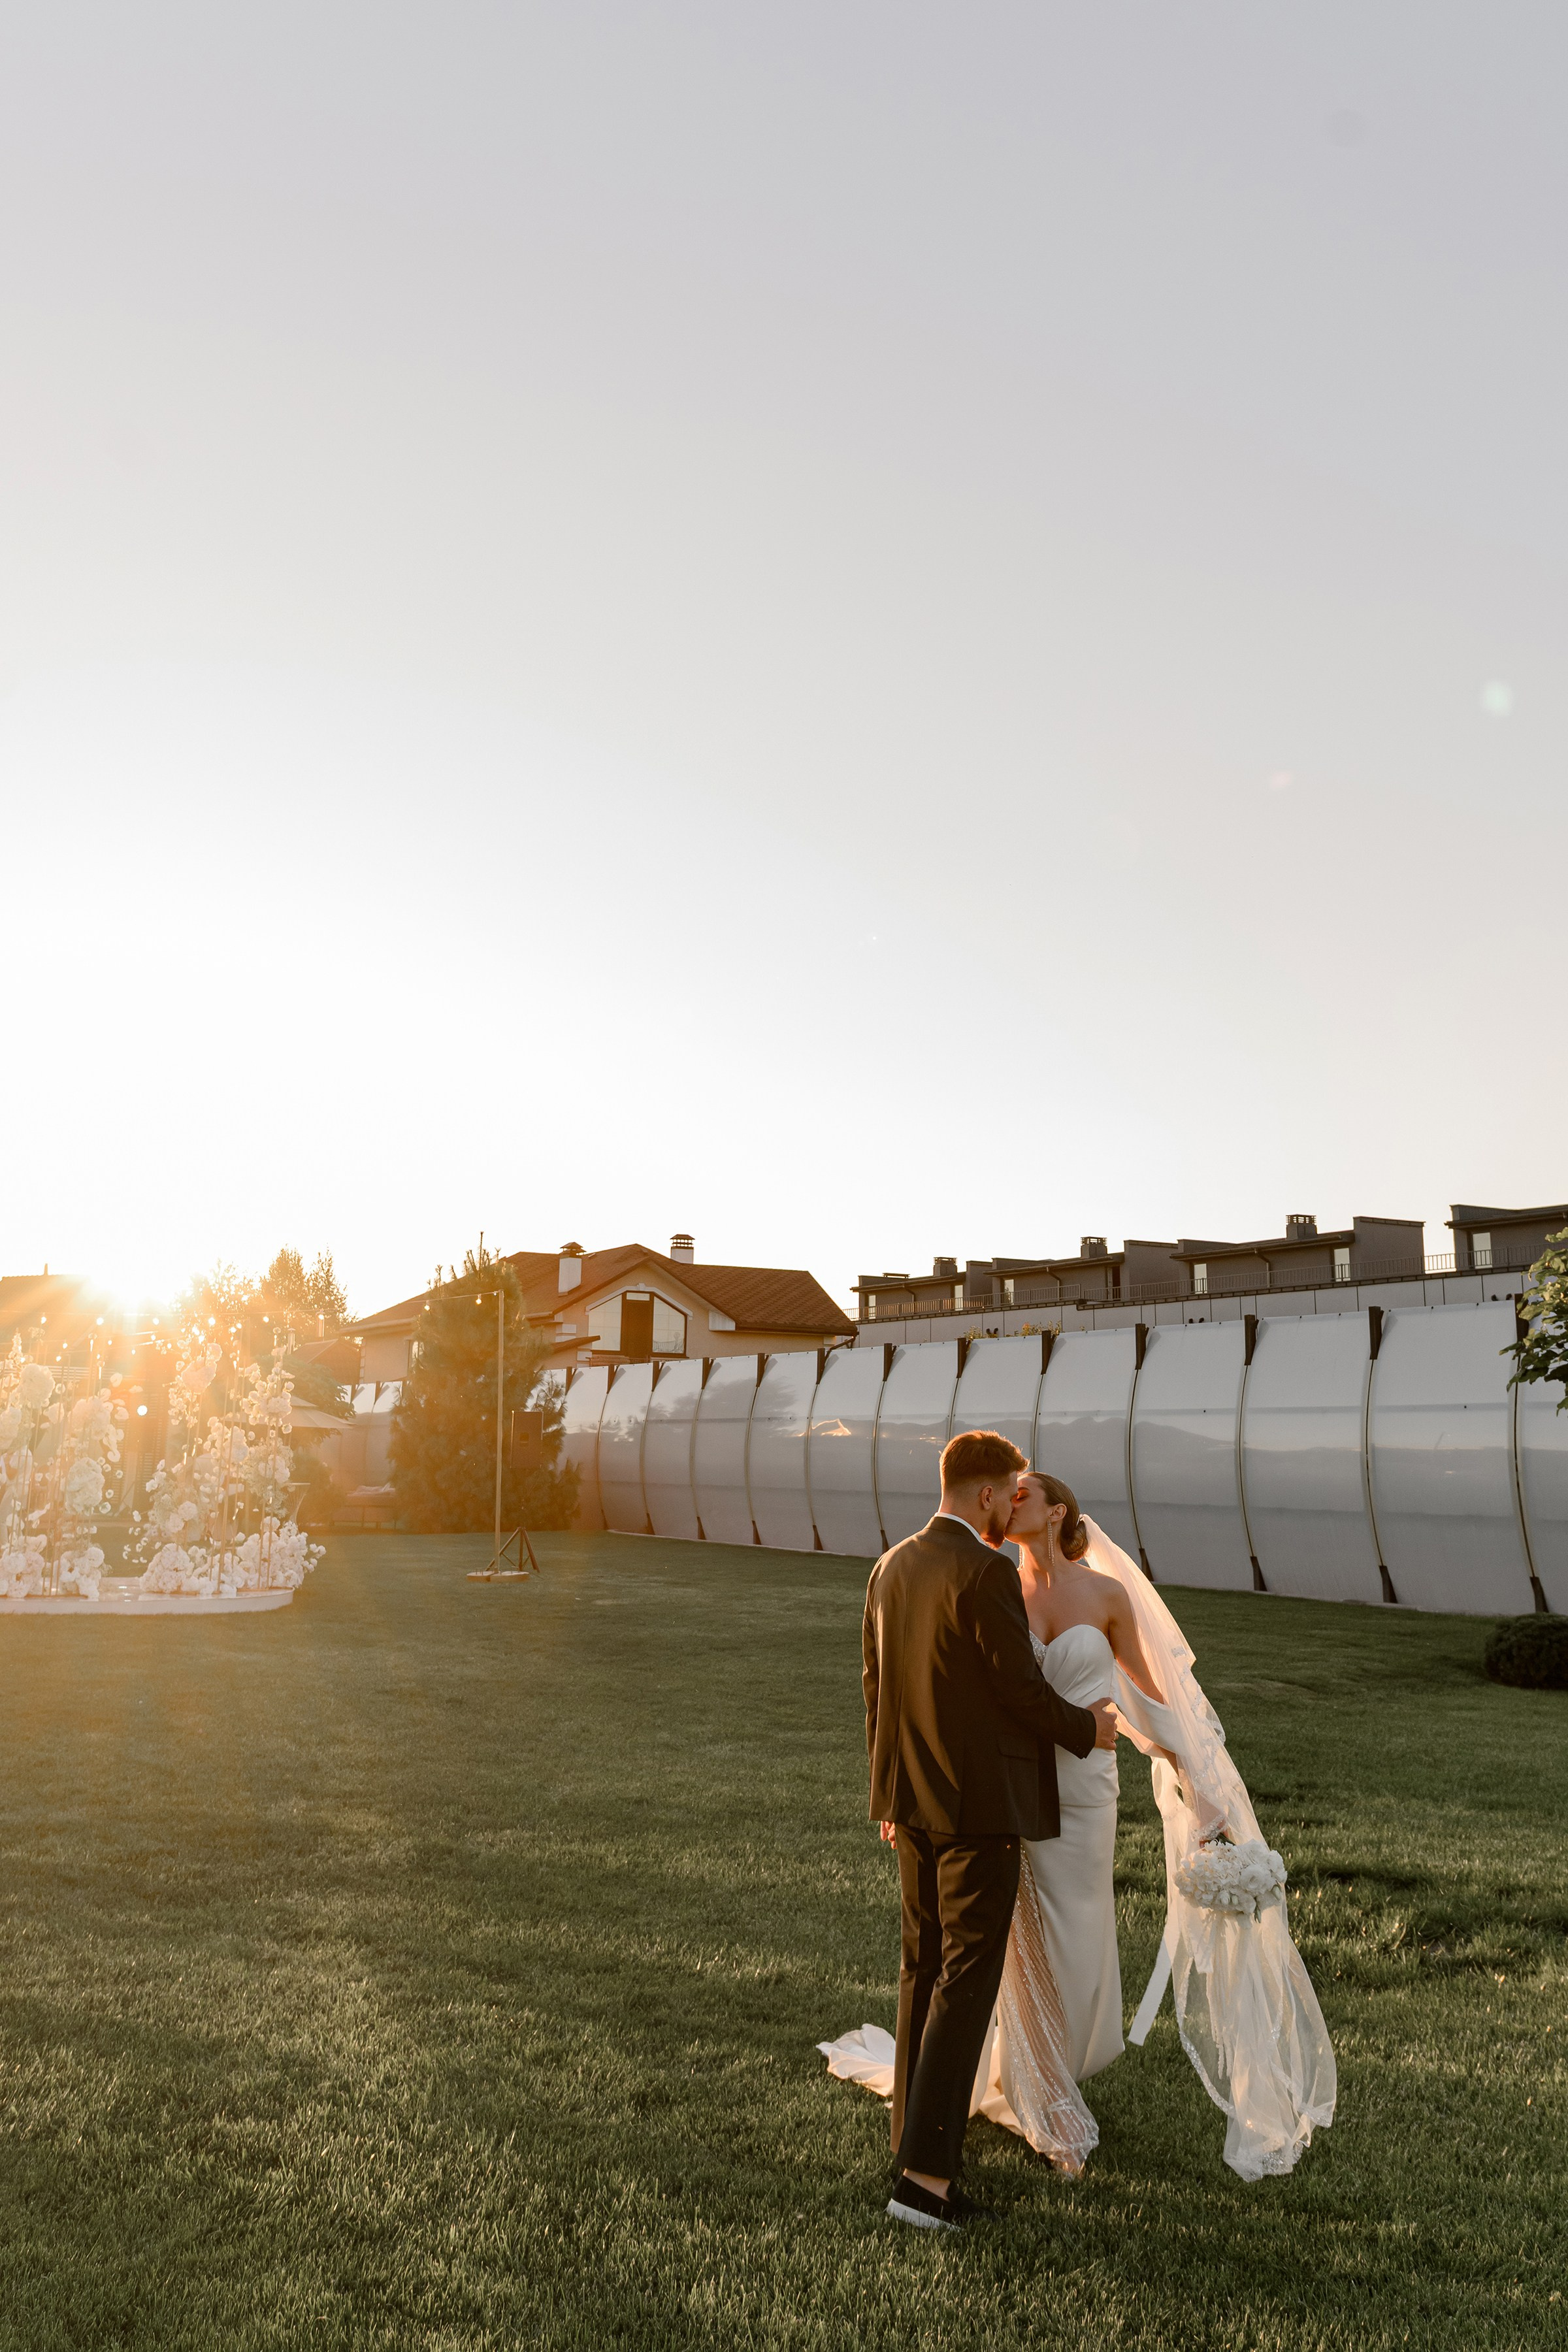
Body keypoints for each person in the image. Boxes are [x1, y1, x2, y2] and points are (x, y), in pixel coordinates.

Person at [987, 1475, 1337, 2183]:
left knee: (1081, 1942)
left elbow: (1152, 1696)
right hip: (1017, 1785)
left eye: (1024, 1491)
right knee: (1024, 1941)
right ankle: (1046, 2098)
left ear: (1058, 1511)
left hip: (1087, 1792)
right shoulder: (997, 1588)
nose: (1008, 1497)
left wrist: (1197, 1780)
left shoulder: (1106, 1595)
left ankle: (1059, 2065)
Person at [843, 1429, 1117, 2232]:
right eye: (1008, 1493)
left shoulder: (890, 1565)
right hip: (979, 1816)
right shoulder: (986, 1570)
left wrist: (889, 1797)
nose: (1008, 1508)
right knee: (965, 1985)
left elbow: (876, 1689)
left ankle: (911, 2153)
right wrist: (1087, 1731)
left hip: (914, 1808)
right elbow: (1019, 1692)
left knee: (920, 1974)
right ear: (988, 1494)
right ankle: (925, 2186)